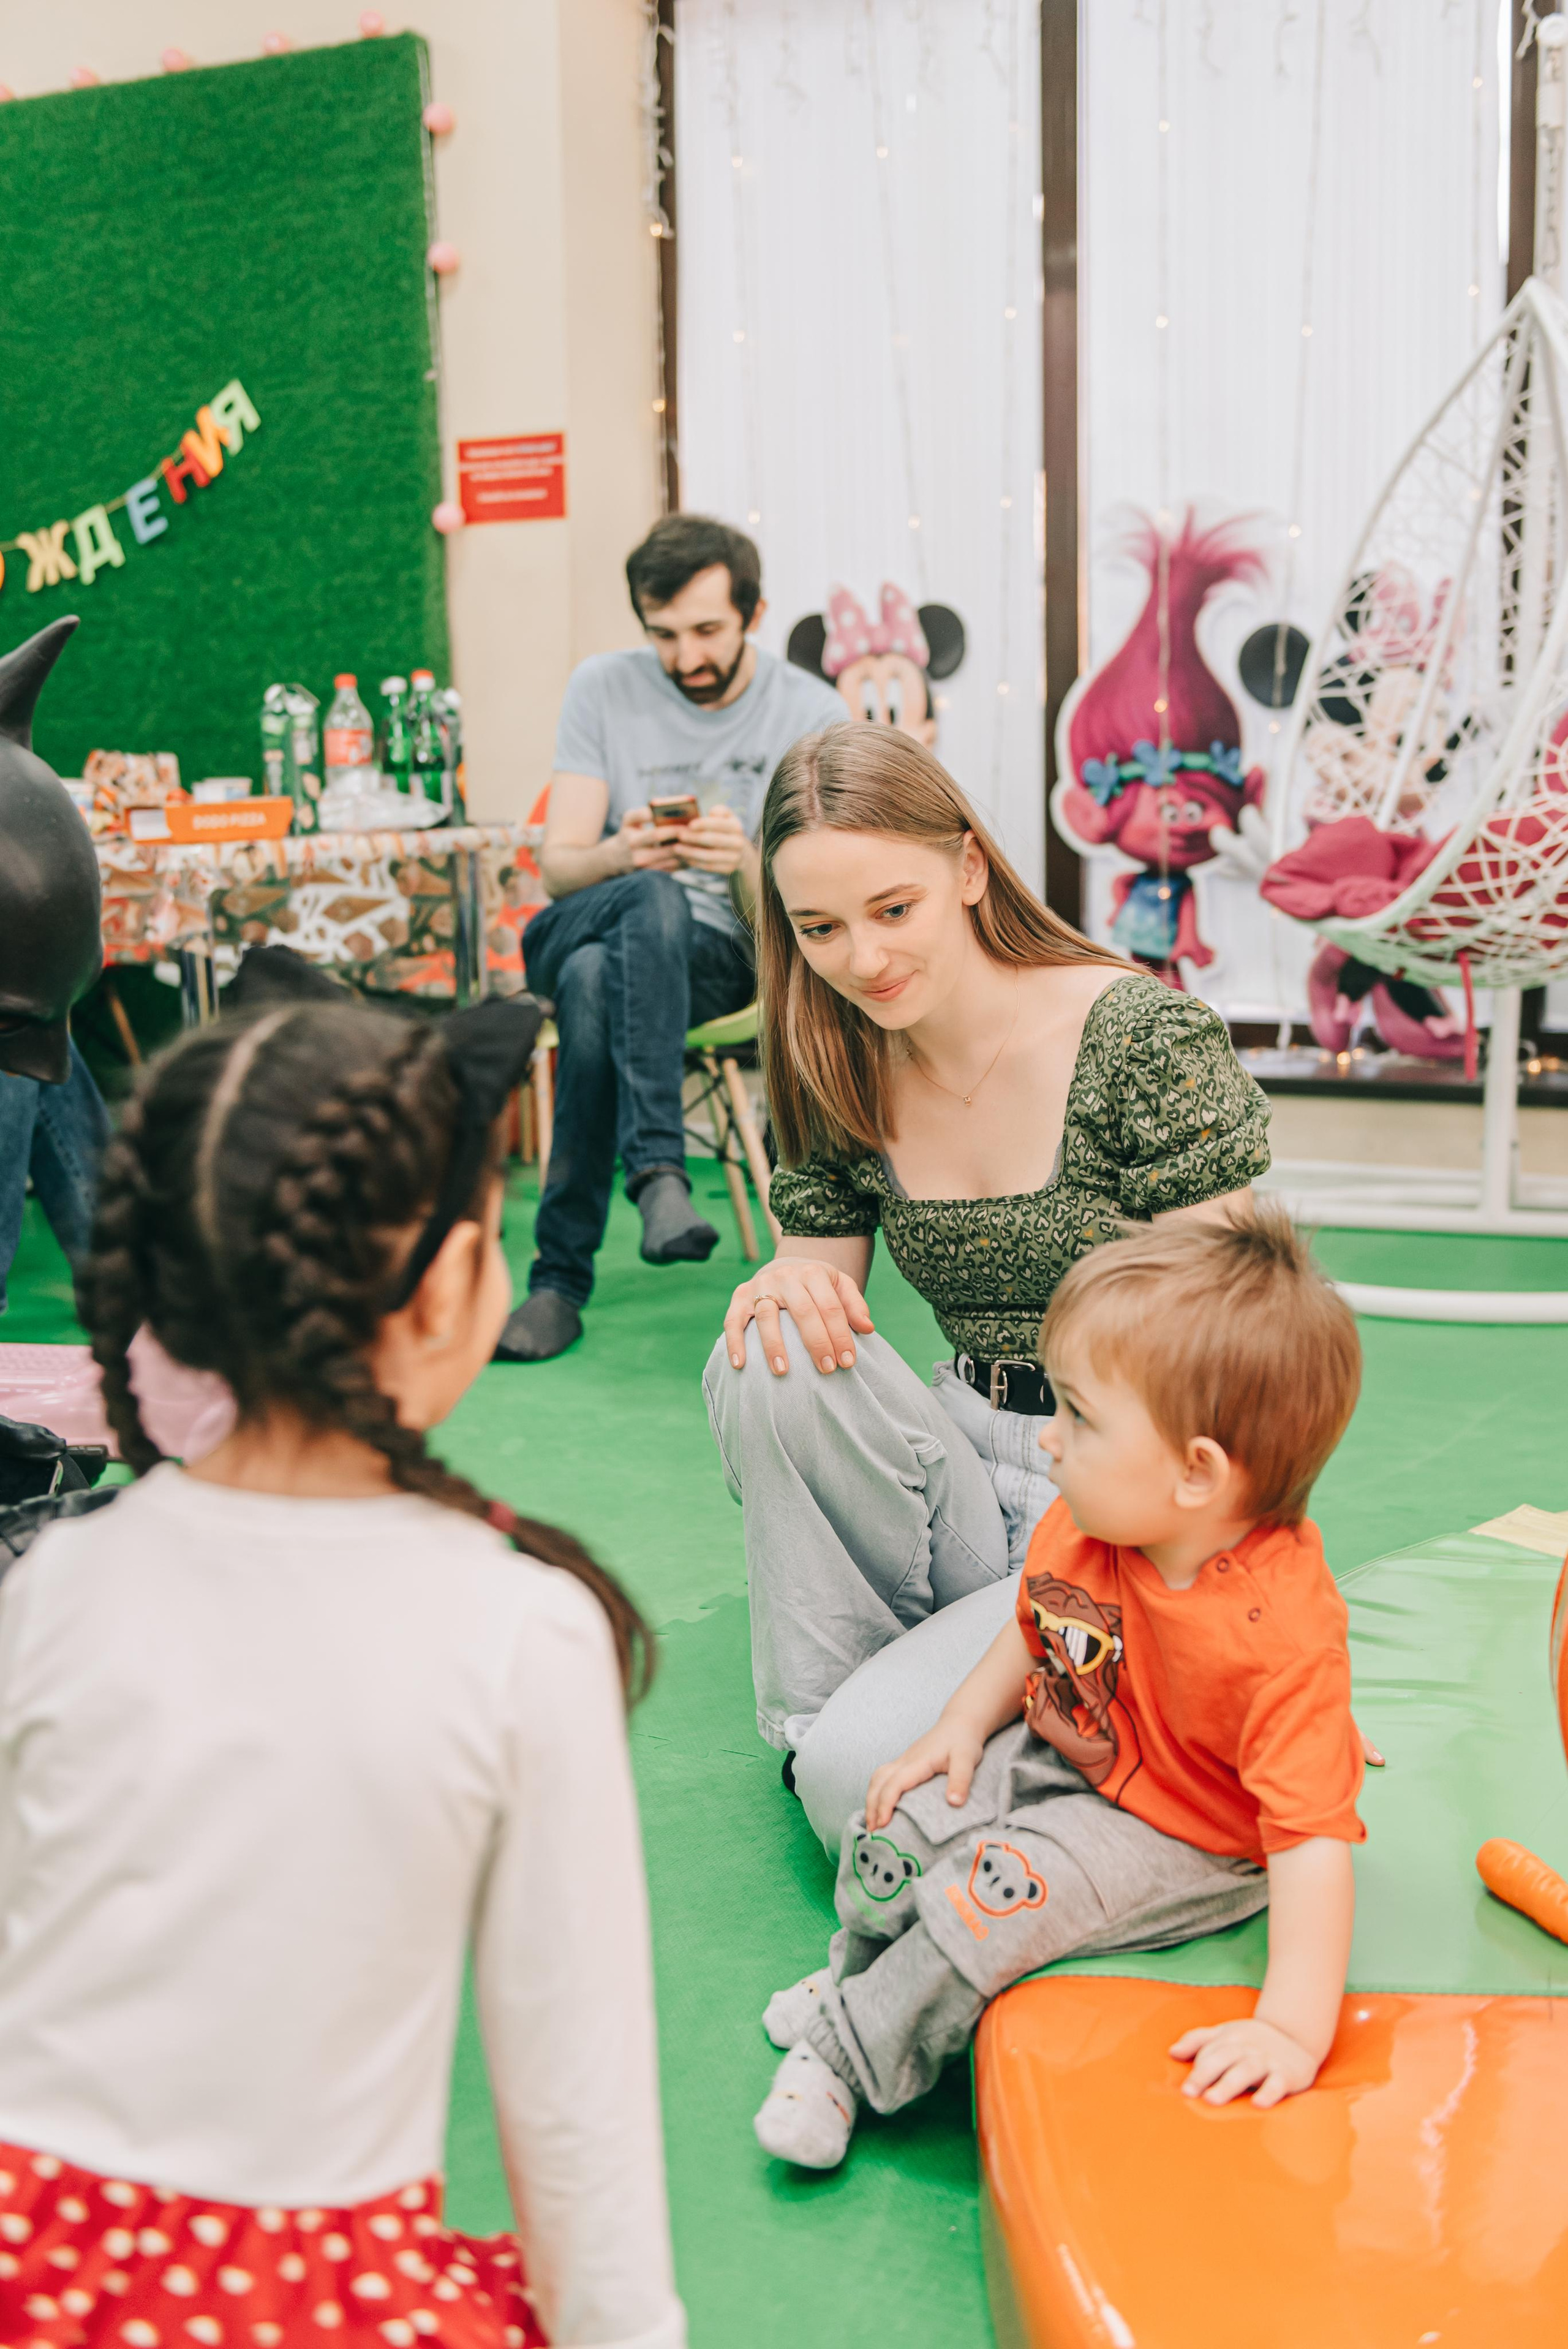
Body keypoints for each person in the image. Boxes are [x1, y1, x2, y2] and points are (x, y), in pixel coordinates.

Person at [0, 999, 685, 2349]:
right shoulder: (520, 1633)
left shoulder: (55, 1583)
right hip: (305, 2302)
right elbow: (576, 2123)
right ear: (447, 1294)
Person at [702, 724, 1271, 1846]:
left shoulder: (1139, 1039)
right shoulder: (833, 1052)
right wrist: (780, 1282)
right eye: (820, 928)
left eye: (893, 908)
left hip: (1122, 1491)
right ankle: (825, 1729)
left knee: (876, 1779)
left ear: (967, 869)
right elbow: (824, 1317)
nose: (862, 959)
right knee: (764, 1349)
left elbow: (1235, 1350)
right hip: (959, 1465)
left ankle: (884, 1741)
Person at [752, 1208, 1365, 2169]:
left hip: (1181, 1831)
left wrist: (1291, 2026)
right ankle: (854, 1979)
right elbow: (1031, 1622)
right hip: (1075, 1750)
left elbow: (1316, 1847)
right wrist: (955, 1729)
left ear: (1197, 1473)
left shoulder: (1279, 1639)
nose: (1049, 1442)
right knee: (899, 1825)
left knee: (992, 1905)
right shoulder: (1096, 1519)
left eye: (1079, 1416)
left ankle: (846, 2058)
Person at [496, 514, 843, 1364]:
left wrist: (741, 866)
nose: (684, 656)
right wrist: (623, 851)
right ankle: (658, 1172)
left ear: (753, 615)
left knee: (588, 980)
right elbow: (560, 866)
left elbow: (816, 914)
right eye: (663, 635)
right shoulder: (602, 687)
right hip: (595, 911)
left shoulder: (812, 710)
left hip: (725, 952)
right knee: (637, 900)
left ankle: (559, 1282)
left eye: (705, 631)